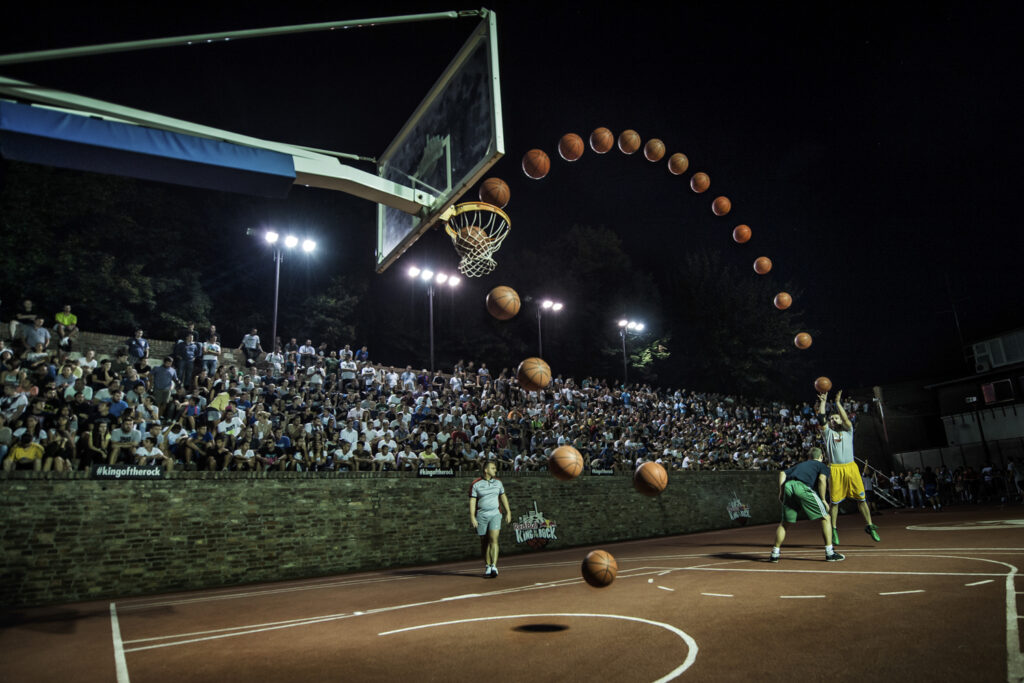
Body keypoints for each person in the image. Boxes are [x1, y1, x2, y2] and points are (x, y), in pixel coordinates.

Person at [817, 389, 880, 544]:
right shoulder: (828, 434)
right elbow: (821, 418)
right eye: (831, 418)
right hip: (836, 469)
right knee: (835, 502)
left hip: (851, 468)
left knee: (861, 499)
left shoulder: (848, 431)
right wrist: (823, 402)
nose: (833, 420)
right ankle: (834, 529)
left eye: (836, 418)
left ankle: (870, 525)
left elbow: (846, 420)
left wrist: (838, 403)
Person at [769, 447, 843, 562]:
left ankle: (774, 554)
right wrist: (823, 500)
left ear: (809, 457)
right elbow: (822, 480)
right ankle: (830, 553)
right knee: (826, 517)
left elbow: (782, 473)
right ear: (821, 457)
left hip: (789, 486)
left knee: (784, 523)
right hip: (802, 487)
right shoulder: (822, 466)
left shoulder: (801, 464)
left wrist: (781, 492)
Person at [469, 460, 512, 578]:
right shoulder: (475, 484)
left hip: (495, 514)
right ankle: (487, 566)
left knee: (494, 539)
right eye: (493, 468)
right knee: (484, 541)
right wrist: (472, 517)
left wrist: (508, 511)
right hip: (481, 515)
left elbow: (503, 497)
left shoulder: (498, 483)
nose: (495, 470)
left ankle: (494, 565)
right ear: (486, 470)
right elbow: (472, 501)